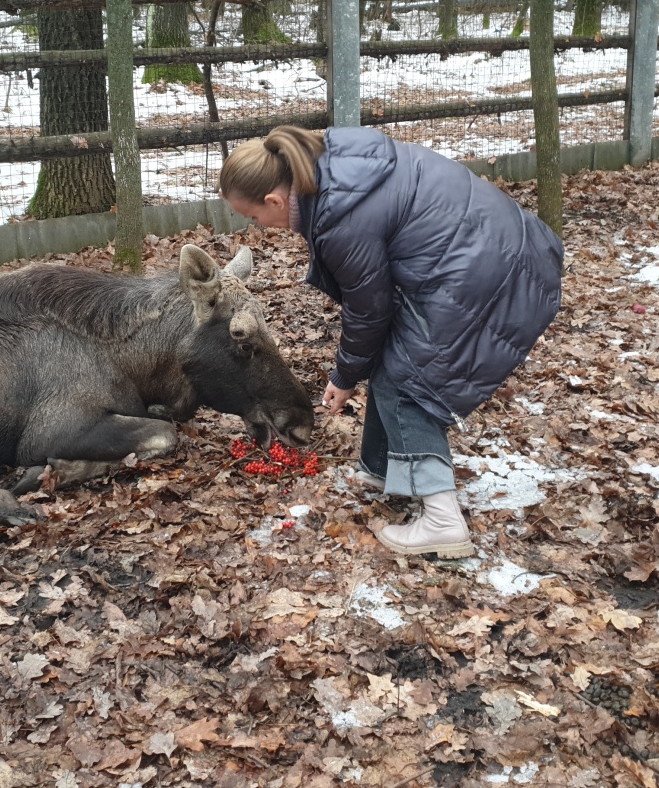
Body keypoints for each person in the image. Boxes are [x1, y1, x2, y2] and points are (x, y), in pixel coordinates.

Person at [219, 125, 564, 559]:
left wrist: (345, 375)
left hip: (488, 270)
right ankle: (384, 468)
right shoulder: (335, 163)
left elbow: (370, 311)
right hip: (498, 247)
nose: (259, 227)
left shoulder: (338, 217)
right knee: (394, 356)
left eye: (253, 218)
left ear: (273, 200)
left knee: (409, 377)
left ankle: (442, 520)